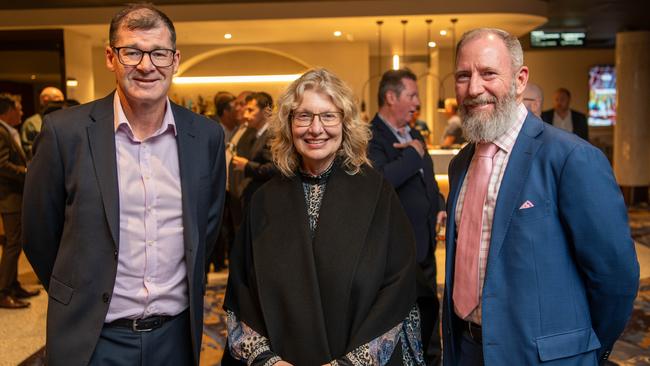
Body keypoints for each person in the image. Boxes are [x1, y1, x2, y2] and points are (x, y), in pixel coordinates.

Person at [22, 4, 225, 365]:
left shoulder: (205, 136)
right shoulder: (64, 134)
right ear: (111, 57)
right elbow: (39, 235)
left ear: (175, 60)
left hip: (175, 338)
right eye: (132, 52)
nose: (147, 66)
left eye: (159, 53)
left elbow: (205, 231)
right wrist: (78, 289)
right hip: (94, 338)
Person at [443, 28, 639, 366]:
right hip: (467, 349)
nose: (474, 89)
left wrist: (584, 350)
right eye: (463, 76)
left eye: (489, 73)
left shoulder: (570, 158)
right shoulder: (462, 163)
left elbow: (614, 279)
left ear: (520, 80)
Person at [224, 68, 424, 365]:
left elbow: (398, 291)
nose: (316, 129)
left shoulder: (376, 193)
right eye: (303, 116)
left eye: (328, 116)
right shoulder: (264, 200)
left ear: (345, 123)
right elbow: (242, 291)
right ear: (288, 124)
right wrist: (269, 360)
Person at [368, 69, 445, 366]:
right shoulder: (371, 137)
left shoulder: (414, 133)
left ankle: (430, 359)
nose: (417, 103)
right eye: (412, 96)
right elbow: (380, 183)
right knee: (398, 320)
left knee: (428, 311)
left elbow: (428, 180)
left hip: (425, 244)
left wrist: (438, 203)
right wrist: (412, 155)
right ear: (391, 97)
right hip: (395, 250)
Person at [0, 94, 39, 309]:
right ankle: (3, 291)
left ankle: (13, 285)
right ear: (8, 110)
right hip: (9, 199)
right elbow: (2, 164)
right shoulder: (1, 132)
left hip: (15, 197)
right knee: (13, 245)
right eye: (19, 108)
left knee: (15, 244)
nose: (21, 112)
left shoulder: (9, 131)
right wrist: (27, 172)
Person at [230, 92, 277, 209]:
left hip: (266, 200)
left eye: (250, 110)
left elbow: (275, 168)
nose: (245, 115)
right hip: (252, 196)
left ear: (266, 111)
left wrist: (246, 166)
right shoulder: (254, 134)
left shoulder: (272, 135)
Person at [20, 86, 64, 158]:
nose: (61, 106)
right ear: (45, 100)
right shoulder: (31, 123)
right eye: (58, 102)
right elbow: (28, 150)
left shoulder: (65, 120)